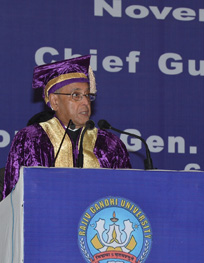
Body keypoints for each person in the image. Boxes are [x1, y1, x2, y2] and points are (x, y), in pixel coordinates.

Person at [2, 55, 131, 199]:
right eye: (76, 95)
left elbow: (126, 195)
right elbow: (14, 198)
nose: (85, 102)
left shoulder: (109, 144)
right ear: (55, 101)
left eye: (88, 95)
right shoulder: (30, 139)